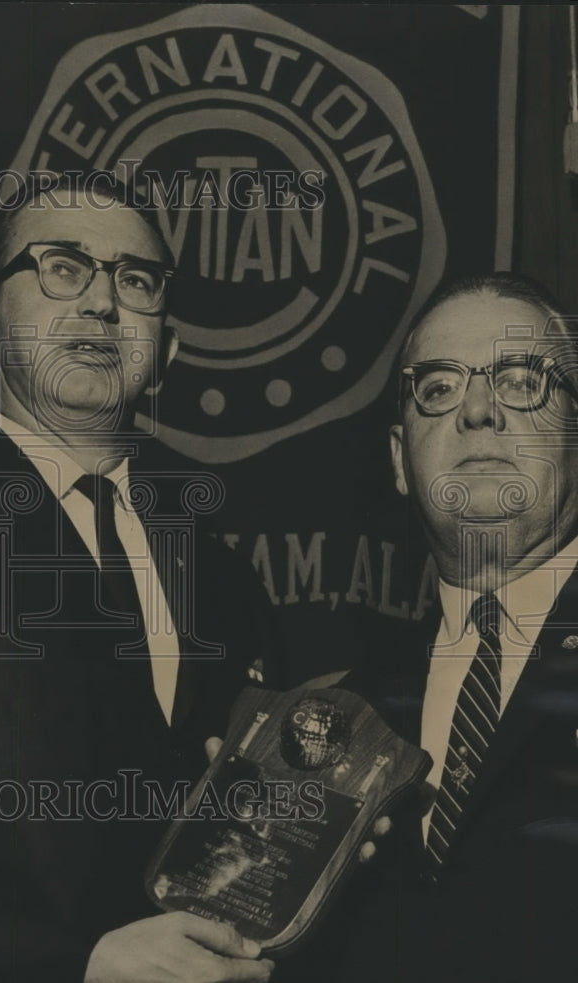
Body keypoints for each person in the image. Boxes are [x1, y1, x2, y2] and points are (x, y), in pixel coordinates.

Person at [0, 179, 283, 983]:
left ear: (167, 350)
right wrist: (74, 963)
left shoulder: (222, 573)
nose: (104, 303)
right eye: (63, 268)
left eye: (136, 281)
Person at [322, 273, 578, 983]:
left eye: (522, 379)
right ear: (402, 462)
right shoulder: (348, 714)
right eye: (437, 386)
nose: (476, 408)